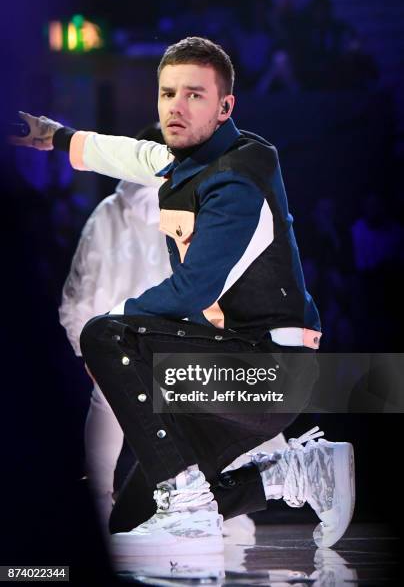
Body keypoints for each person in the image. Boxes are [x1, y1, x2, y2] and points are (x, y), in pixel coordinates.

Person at [12, 36, 355, 557]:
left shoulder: (238, 177)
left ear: (225, 107)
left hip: (268, 372)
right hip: (228, 369)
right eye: (167, 93)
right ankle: (297, 475)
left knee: (107, 333)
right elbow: (131, 153)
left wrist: (110, 329)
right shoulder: (187, 161)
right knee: (130, 522)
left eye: (193, 94)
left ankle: (187, 501)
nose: (175, 105)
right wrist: (55, 137)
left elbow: (195, 288)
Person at [59, 121, 288, 537]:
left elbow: (79, 294)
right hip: (160, 347)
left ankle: (235, 498)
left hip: (144, 347)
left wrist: (90, 350)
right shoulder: (184, 200)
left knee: (129, 440)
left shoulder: (172, 203)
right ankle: (246, 496)